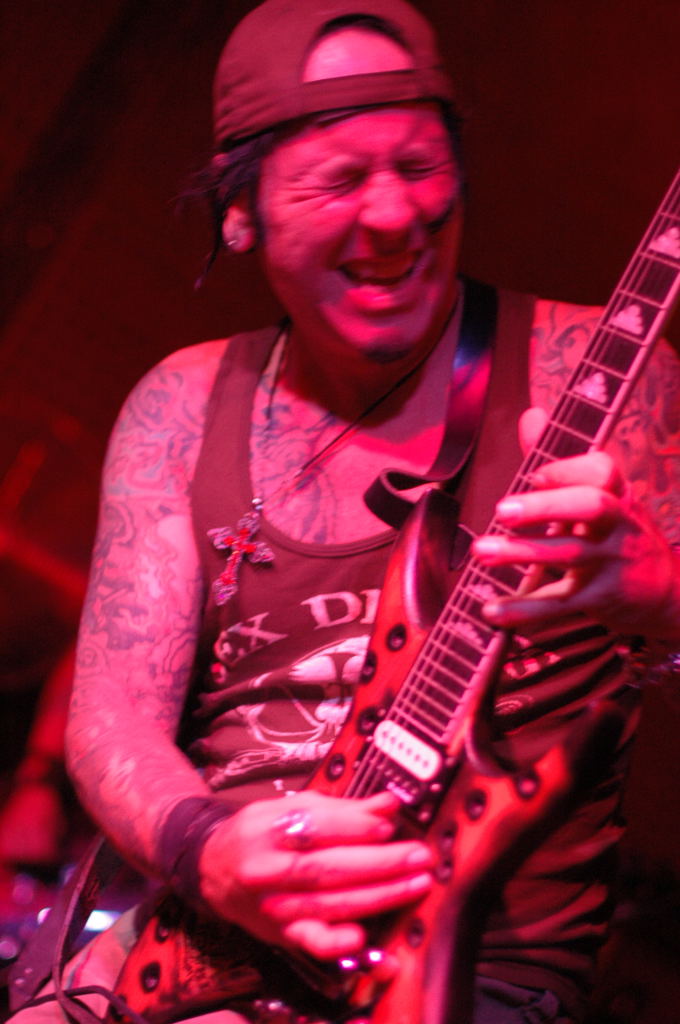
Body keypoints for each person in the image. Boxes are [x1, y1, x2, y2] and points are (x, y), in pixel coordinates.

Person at [10, 2, 680, 1023]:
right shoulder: (182, 405)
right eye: (338, 179)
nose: (393, 214)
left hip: (459, 966)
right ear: (241, 211)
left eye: (418, 166)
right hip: (197, 934)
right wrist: (207, 847)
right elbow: (113, 720)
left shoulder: (601, 375)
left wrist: (660, 596)